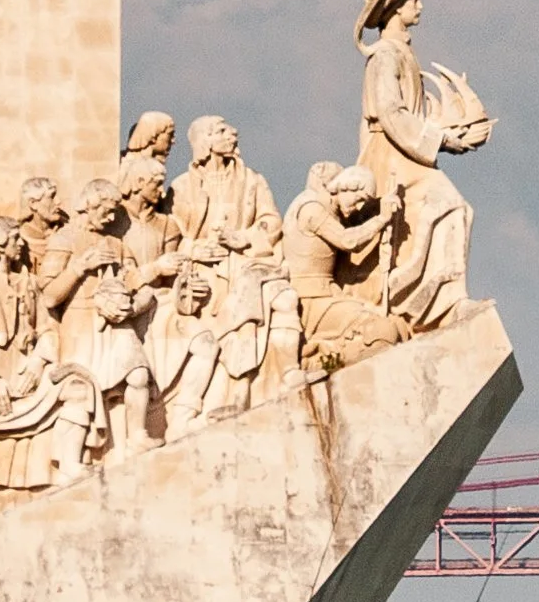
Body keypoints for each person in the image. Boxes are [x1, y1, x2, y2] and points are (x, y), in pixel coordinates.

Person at [353, 0, 492, 330]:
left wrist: (452, 128)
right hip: (391, 156)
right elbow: (392, 113)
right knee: (450, 205)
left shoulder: (402, 53)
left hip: (408, 150)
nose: (420, 5)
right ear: (396, 7)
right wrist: (441, 140)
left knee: (456, 210)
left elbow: (414, 112)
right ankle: (440, 304)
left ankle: (442, 299)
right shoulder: (385, 55)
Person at [0, 218, 97, 493]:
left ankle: (70, 465)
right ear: (0, 244)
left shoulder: (26, 283)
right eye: (15, 239)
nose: (21, 244)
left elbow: (48, 329)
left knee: (78, 388)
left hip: (29, 378)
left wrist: (38, 364)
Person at [167, 119, 302, 408]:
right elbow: (171, 236)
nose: (233, 134)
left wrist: (243, 238)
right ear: (205, 141)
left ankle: (269, 380)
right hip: (204, 274)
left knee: (277, 298)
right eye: (222, 131)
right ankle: (223, 396)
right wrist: (196, 249)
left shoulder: (252, 180)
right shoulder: (180, 188)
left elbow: (271, 221)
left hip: (246, 264)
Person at [37, 180, 152, 456]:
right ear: (89, 205)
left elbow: (142, 285)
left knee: (138, 374)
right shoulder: (64, 240)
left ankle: (137, 435)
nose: (111, 218)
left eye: (114, 212)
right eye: (106, 210)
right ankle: (76, 458)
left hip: (117, 323)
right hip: (80, 325)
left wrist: (132, 308)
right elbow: (50, 296)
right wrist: (79, 267)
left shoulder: (116, 244)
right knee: (85, 391)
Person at [115, 152, 217, 437]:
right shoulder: (117, 224)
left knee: (206, 343)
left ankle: (184, 415)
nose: (162, 191)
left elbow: (179, 272)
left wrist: (192, 288)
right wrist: (155, 267)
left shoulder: (167, 224)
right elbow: (118, 278)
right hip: (134, 307)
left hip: (166, 305)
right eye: (156, 184)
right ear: (137, 183)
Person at [281, 164, 408, 367]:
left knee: (394, 327)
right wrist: (382, 218)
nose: (358, 207)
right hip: (311, 302)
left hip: (327, 296)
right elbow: (348, 242)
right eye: (359, 200)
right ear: (346, 187)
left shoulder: (330, 212)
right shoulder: (312, 209)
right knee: (381, 331)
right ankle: (318, 364)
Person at [14, 178, 70, 276]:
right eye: (51, 197)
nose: (58, 202)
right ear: (33, 204)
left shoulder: (67, 230)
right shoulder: (16, 239)